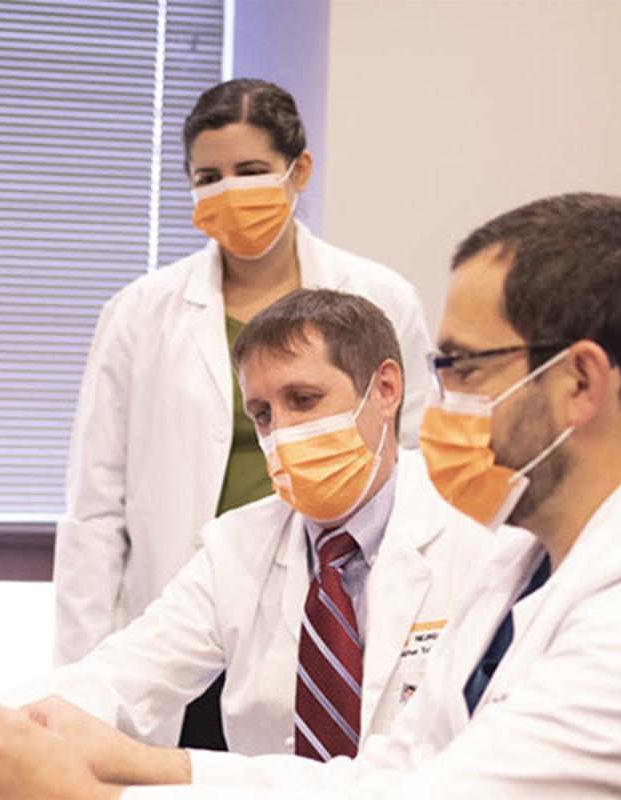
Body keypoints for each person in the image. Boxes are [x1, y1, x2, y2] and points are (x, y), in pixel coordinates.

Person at [0, 193, 621, 799]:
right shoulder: (526, 561)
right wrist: (141, 763)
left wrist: (88, 797)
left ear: (579, 382)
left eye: (465, 368)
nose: (449, 399)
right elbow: (385, 777)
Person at [0, 289, 491, 769]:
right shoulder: (238, 545)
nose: (281, 433)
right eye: (263, 413)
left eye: (303, 400)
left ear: (385, 389)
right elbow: (123, 674)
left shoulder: (481, 538)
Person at [54, 78, 432, 748]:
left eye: (251, 171)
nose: (231, 191)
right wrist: (72, 686)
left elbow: (418, 459)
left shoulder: (376, 296)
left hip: (337, 602)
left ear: (299, 171)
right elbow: (94, 507)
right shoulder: (140, 313)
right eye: (210, 176)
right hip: (188, 605)